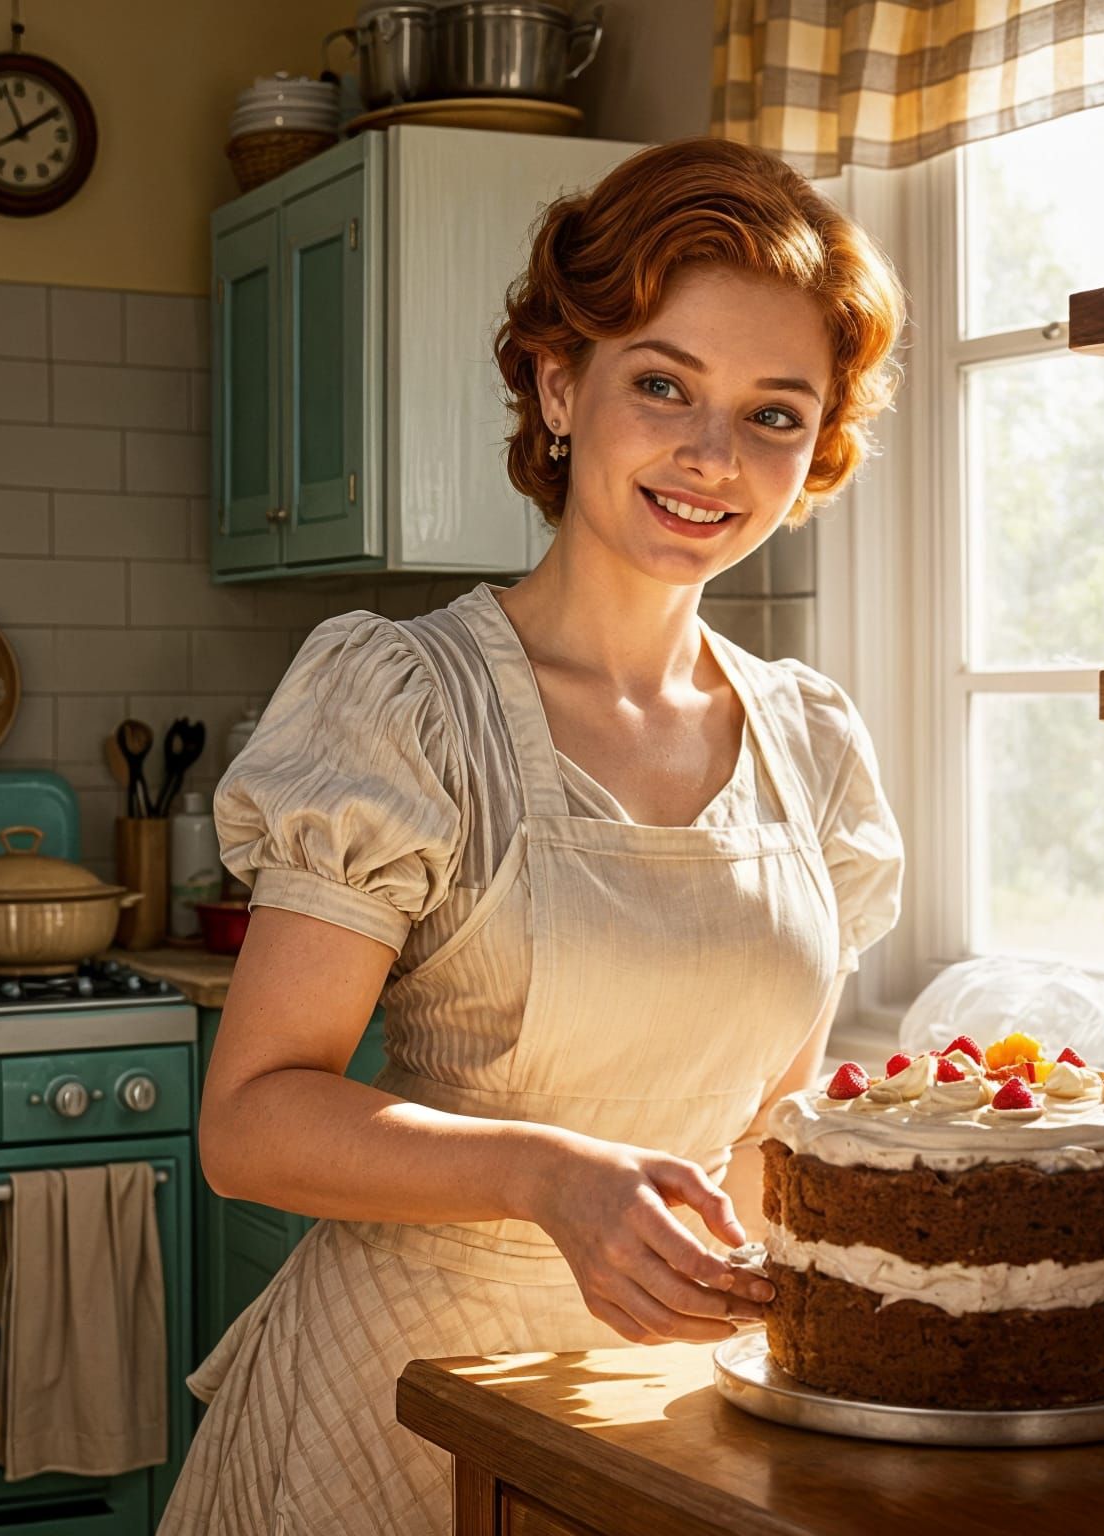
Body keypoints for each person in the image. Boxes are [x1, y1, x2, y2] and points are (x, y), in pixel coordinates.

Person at [158, 134, 906, 1535]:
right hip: (393, 1411)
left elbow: (762, 1144)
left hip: (659, 1428)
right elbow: (249, 1122)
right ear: (562, 386)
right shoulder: (409, 701)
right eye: (663, 385)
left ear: (816, 454)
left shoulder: (812, 743)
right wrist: (542, 1174)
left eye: (772, 414)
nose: (709, 455)